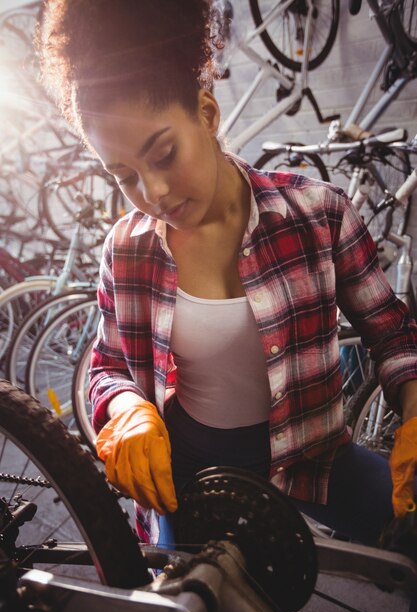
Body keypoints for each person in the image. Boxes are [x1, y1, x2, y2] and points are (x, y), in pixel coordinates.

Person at [37, 0, 417, 579]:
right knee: (183, 597)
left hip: (312, 455)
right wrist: (127, 409)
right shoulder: (128, 248)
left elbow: (395, 336)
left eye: (164, 154)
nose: (155, 190)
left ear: (208, 113)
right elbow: (107, 364)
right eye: (124, 176)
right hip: (187, 472)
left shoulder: (316, 214)